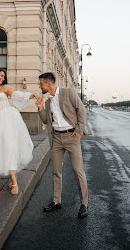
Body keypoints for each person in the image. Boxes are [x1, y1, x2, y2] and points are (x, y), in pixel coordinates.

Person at [35, 72, 88, 218]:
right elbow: (46, 120)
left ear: (49, 84)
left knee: (78, 171)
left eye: (41, 84)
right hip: (56, 139)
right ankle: (56, 201)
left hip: (71, 137)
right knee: (56, 171)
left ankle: (84, 204)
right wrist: (40, 108)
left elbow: (81, 110)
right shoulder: (48, 102)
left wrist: (79, 131)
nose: (40, 86)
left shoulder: (68, 93)